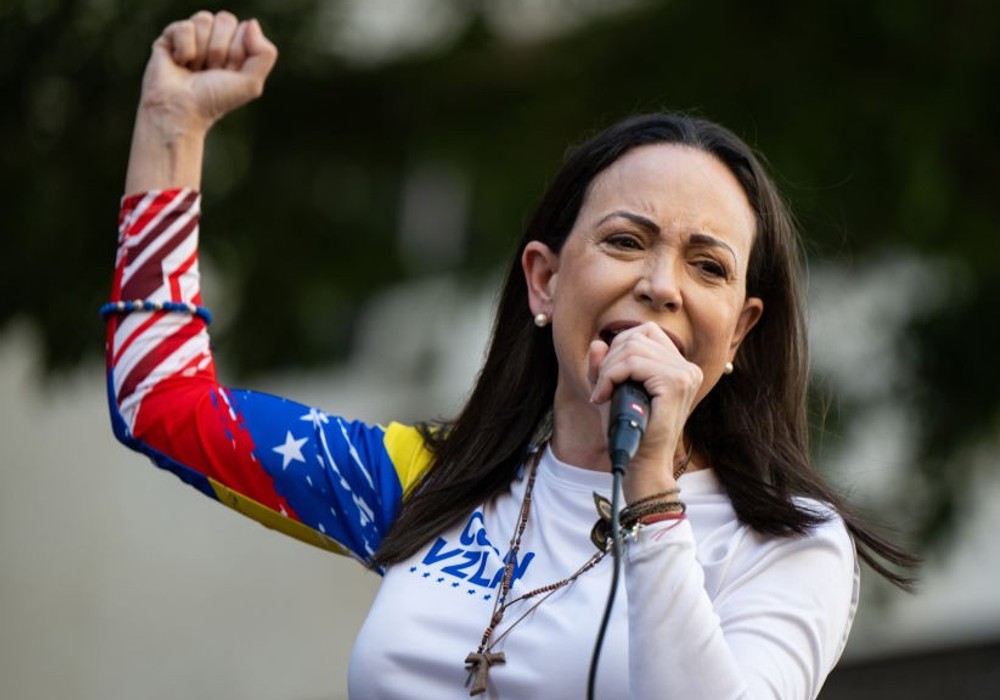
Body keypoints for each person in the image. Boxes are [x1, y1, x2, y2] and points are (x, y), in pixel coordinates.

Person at [105, 10, 915, 700]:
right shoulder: (432, 482)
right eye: (625, 241)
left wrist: (650, 488)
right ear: (544, 281)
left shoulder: (784, 542)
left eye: (707, 265)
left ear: (738, 334)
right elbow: (160, 402)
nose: (661, 285)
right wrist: (171, 133)